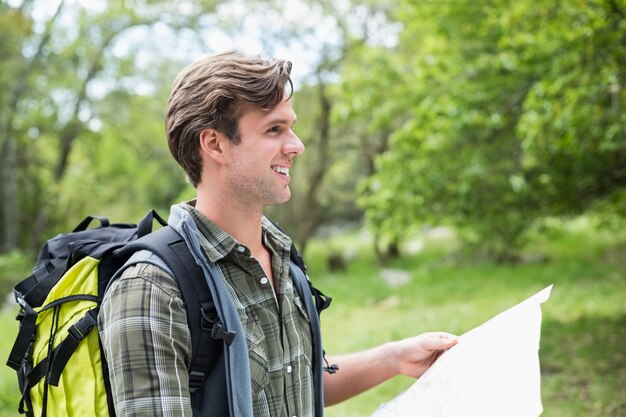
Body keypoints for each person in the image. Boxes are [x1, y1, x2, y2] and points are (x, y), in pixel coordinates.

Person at [98, 51, 457, 417]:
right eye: (274, 129)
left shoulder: (280, 256)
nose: (297, 145)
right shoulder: (151, 289)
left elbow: (295, 381)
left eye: (292, 127)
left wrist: (394, 358)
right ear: (215, 144)